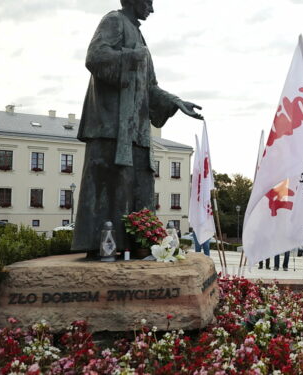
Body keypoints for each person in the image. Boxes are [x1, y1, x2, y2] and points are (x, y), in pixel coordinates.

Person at [72, 0, 203, 258]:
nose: (151, 10)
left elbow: (150, 88)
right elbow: (95, 57)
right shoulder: (114, 20)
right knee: (109, 186)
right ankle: (102, 247)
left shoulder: (139, 36)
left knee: (140, 186)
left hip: (137, 130)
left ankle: (140, 245)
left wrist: (176, 102)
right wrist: (132, 57)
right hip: (111, 127)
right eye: (148, 2)